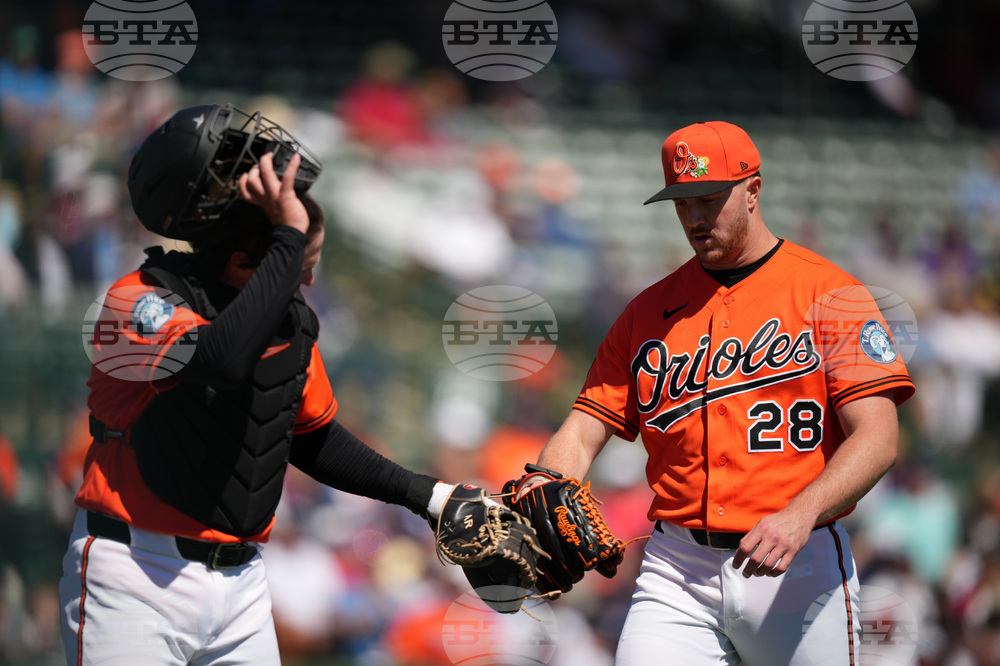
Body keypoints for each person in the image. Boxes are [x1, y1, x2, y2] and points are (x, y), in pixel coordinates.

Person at [57, 103, 483, 665]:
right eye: (297, 264)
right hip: (133, 573)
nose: (305, 280)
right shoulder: (134, 301)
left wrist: (427, 495)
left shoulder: (283, 322)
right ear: (243, 259)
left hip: (243, 586)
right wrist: (287, 234)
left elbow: (310, 436)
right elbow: (222, 359)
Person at [522, 121, 915, 665]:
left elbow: (878, 438)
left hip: (797, 566)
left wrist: (801, 513)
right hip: (676, 569)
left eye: (708, 198)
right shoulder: (646, 312)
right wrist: (546, 480)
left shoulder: (830, 293)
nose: (694, 217)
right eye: (681, 203)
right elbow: (582, 431)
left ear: (752, 190)